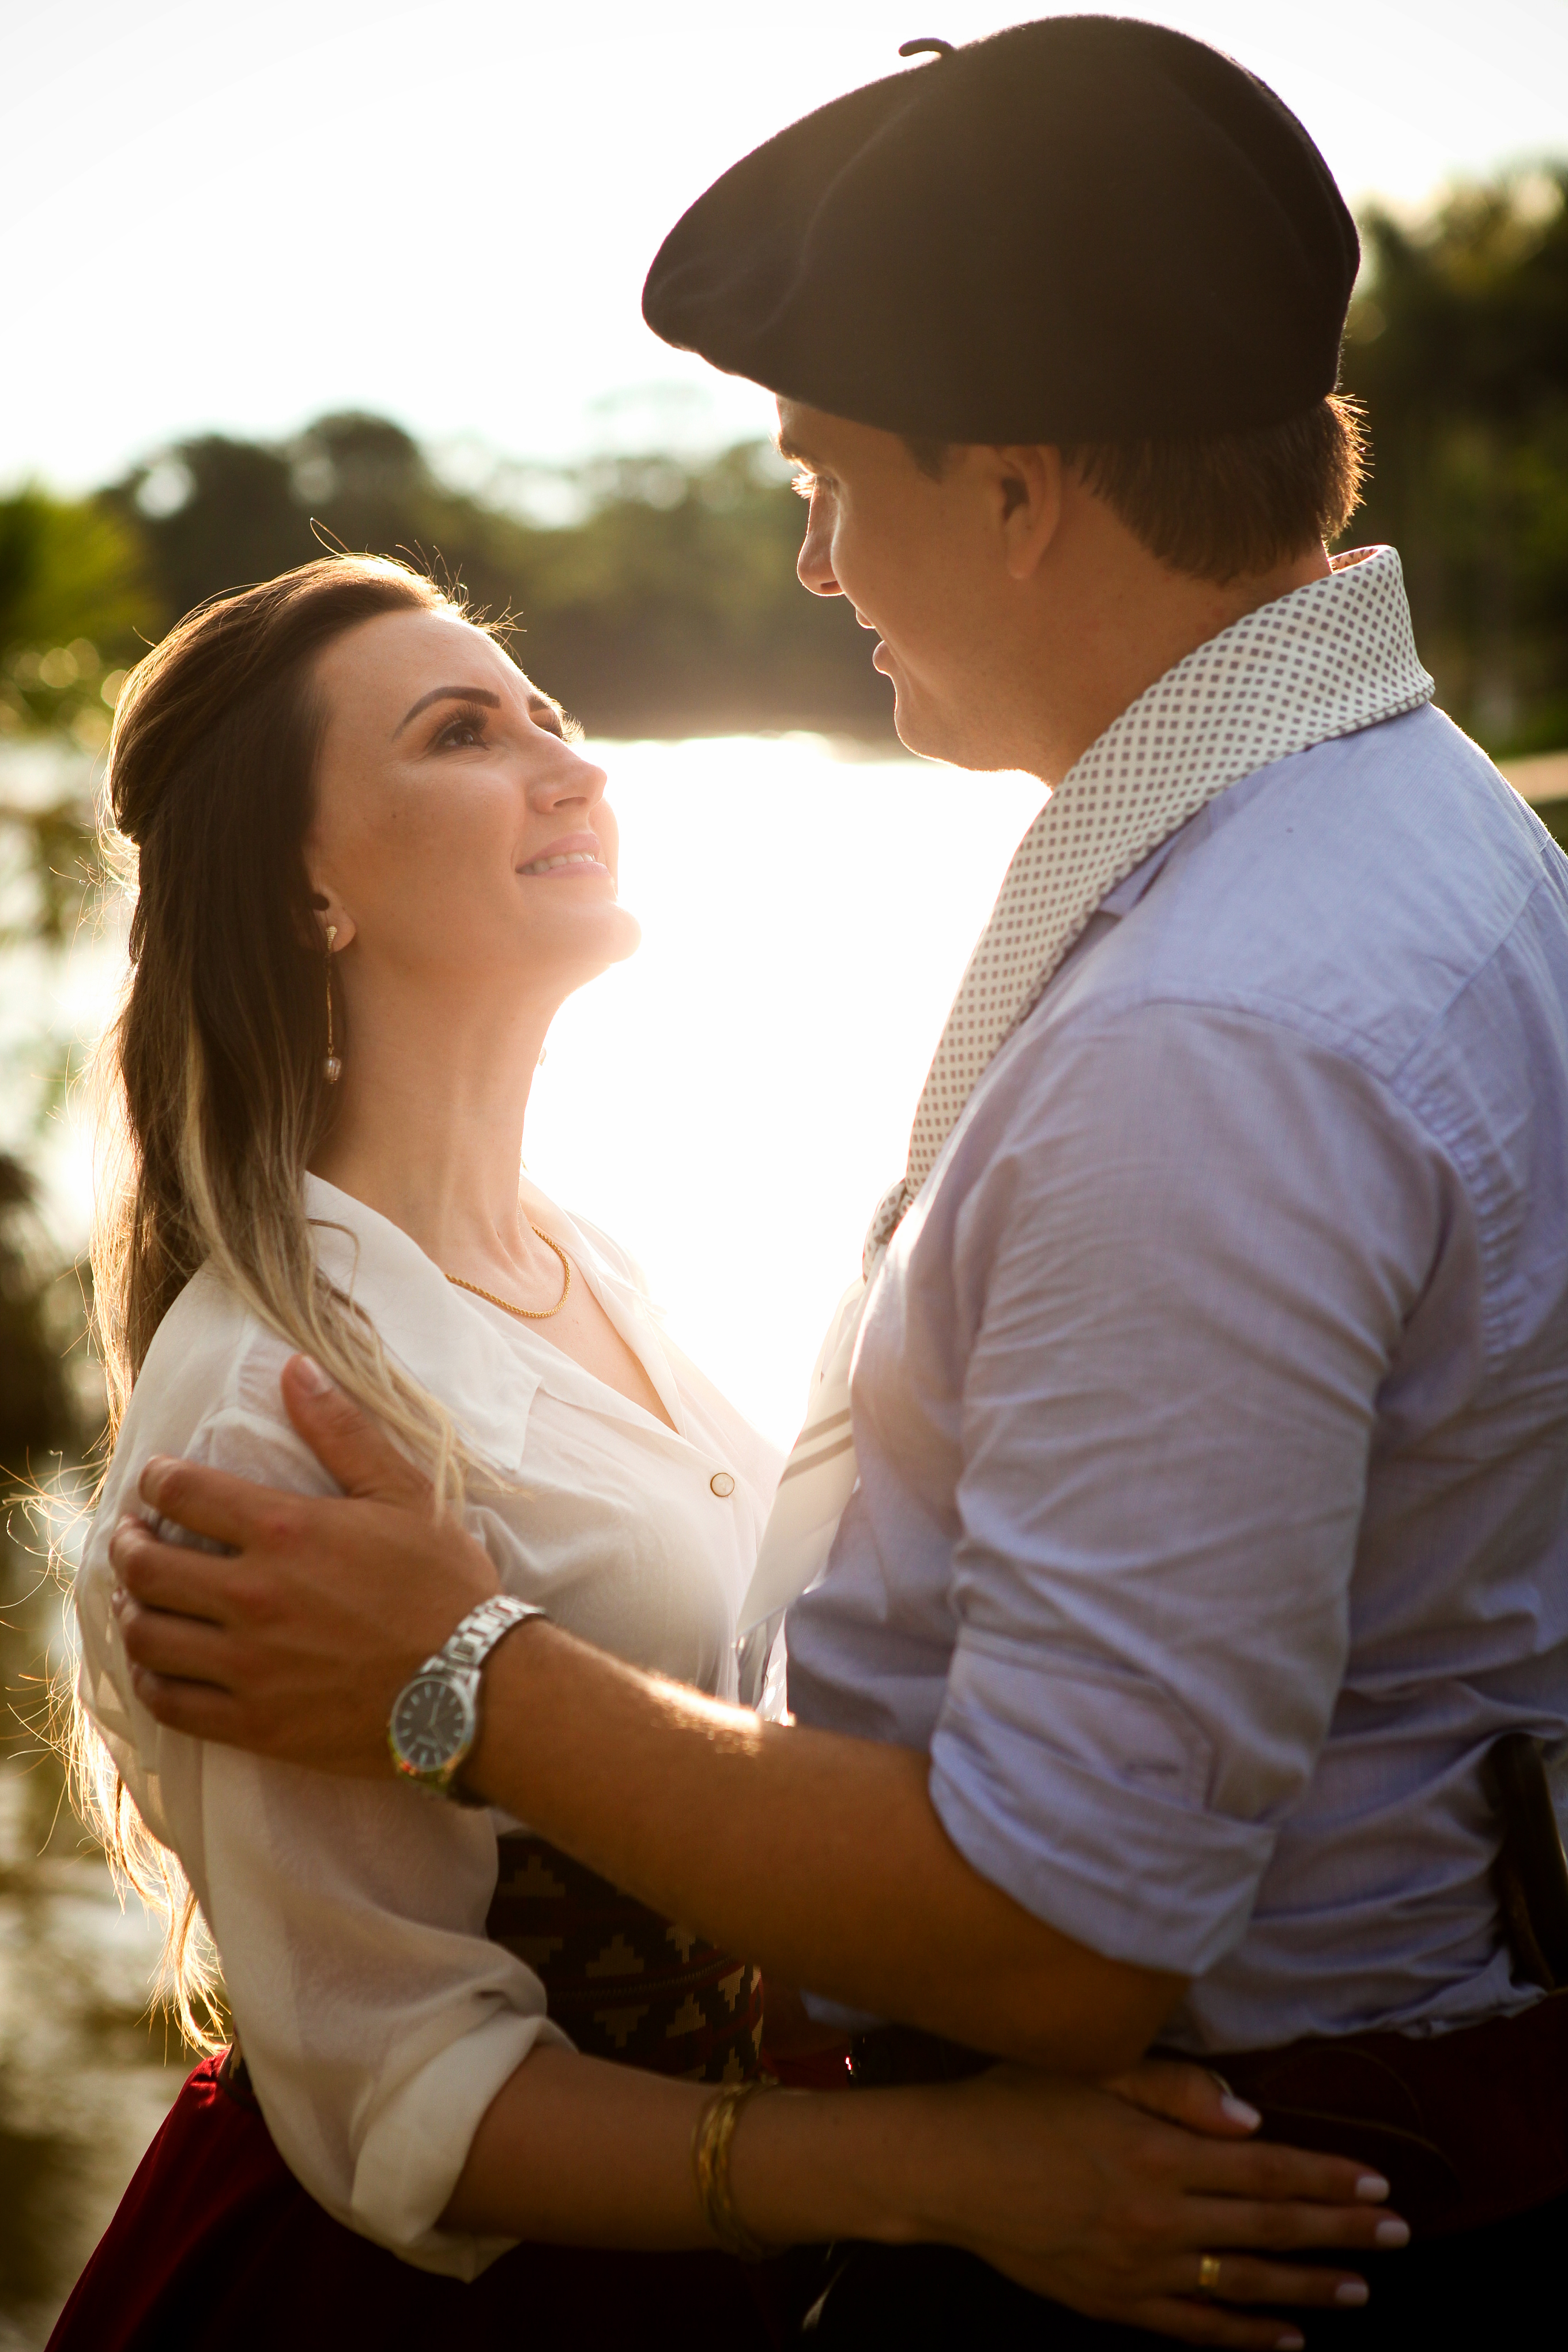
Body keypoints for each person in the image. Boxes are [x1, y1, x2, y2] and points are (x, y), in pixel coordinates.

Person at [104, 16, 1568, 2345]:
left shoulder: (1211, 1025)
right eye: (459, 725)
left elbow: (1062, 1933)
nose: (804, 558)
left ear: (1012, 491)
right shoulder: (1423, 835)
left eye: (821, 476)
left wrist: (457, 1675)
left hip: (1199, 2219)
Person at [53, 554, 1389, 2352]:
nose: (570, 766)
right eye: (463, 735)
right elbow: (402, 2106)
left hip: (720, 2255)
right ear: (306, 890)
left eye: (551, 715)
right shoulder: (274, 1417)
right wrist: (950, 2171)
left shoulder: (579, 1258)